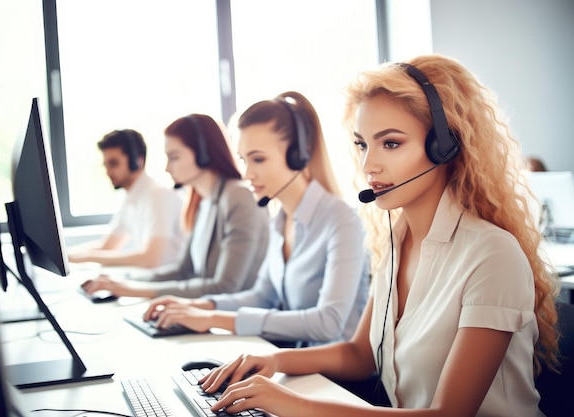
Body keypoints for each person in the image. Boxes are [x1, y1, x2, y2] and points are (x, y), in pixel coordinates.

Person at [195, 56, 560, 417]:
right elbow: (359, 355)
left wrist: (294, 405)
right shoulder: (396, 243)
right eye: (362, 144)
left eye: (390, 143)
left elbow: (448, 413)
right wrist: (271, 360)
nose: (369, 165)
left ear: (444, 147)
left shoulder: (490, 255)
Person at [142, 91, 370, 347]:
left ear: (298, 154)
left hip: (338, 382)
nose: (248, 174)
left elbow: (328, 322)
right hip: (297, 366)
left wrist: (213, 318)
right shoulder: (280, 219)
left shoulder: (342, 221)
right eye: (243, 160)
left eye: (258, 159)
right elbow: (262, 296)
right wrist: (195, 306)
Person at [81, 114, 269, 299]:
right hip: (201, 311)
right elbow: (183, 271)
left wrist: (134, 290)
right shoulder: (202, 201)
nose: (167, 168)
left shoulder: (238, 196)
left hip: (234, 319)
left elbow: (225, 286)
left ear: (203, 153)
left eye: (174, 157)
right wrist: (124, 280)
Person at [68, 129, 185, 268]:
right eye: (106, 165)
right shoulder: (131, 199)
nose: (108, 172)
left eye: (113, 163)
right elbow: (108, 247)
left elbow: (150, 259)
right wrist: (67, 255)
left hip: (167, 284)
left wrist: (86, 258)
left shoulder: (158, 196)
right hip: (148, 280)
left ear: (138, 161)